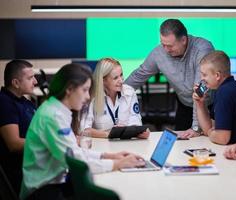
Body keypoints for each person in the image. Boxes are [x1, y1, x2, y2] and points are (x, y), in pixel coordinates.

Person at [20, 63, 145, 200]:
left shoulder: (57, 110)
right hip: (43, 191)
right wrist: (118, 164)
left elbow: (74, 152)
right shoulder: (53, 117)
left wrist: (110, 156)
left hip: (54, 182)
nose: (87, 97)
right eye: (85, 90)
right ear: (70, 89)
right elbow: (76, 161)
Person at [125, 18, 214, 136]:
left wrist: (196, 127)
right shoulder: (159, 53)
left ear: (183, 40)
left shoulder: (202, 49)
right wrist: (116, 93)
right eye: (163, 44)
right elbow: (138, 75)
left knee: (208, 144)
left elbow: (200, 90)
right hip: (185, 106)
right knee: (180, 143)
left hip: (209, 106)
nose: (166, 50)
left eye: (170, 46)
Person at [186, 50, 236, 144]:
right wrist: (200, 103)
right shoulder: (227, 87)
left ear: (217, 75)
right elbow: (209, 127)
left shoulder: (225, 92)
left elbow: (222, 138)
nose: (202, 78)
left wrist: (209, 132)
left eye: (204, 75)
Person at [81, 58, 149, 138]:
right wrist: (108, 134)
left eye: (121, 75)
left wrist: (140, 132)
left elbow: (136, 122)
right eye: (115, 78)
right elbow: (84, 130)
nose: (121, 80)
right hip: (101, 146)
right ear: (103, 80)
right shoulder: (90, 96)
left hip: (126, 144)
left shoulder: (129, 92)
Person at [0, 60, 37, 194]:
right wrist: (48, 141)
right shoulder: (5, 102)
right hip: (23, 174)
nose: (35, 82)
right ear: (16, 83)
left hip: (36, 166)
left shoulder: (25, 102)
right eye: (30, 78)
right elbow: (14, 144)